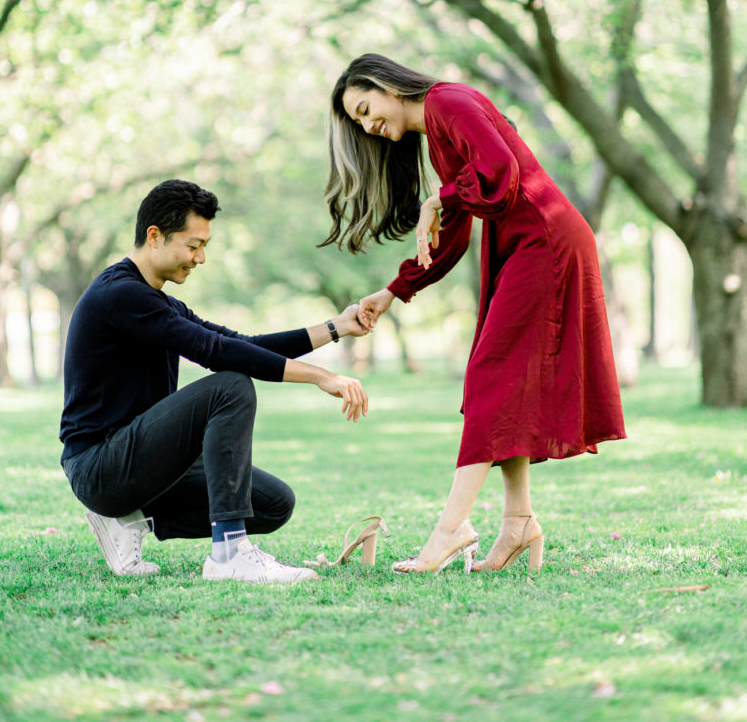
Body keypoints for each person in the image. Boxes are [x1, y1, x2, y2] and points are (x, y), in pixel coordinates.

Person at [323, 54, 626, 575]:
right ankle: (518, 522)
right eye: (359, 122)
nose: (369, 126)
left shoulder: (448, 102)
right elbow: (458, 233)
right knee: (506, 383)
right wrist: (393, 291)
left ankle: (452, 528)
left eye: (366, 109)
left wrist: (435, 201)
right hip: (523, 246)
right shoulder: (438, 129)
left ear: (388, 86)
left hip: (544, 241)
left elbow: (500, 175)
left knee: (491, 375)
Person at [60, 179, 371, 585]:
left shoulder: (159, 302)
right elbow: (218, 354)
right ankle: (228, 554)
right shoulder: (119, 294)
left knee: (273, 503)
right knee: (230, 386)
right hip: (100, 466)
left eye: (203, 246)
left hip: (142, 461)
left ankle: (131, 520)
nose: (201, 258)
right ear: (154, 236)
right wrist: (320, 377)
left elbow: (239, 344)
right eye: (193, 245)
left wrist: (336, 327)